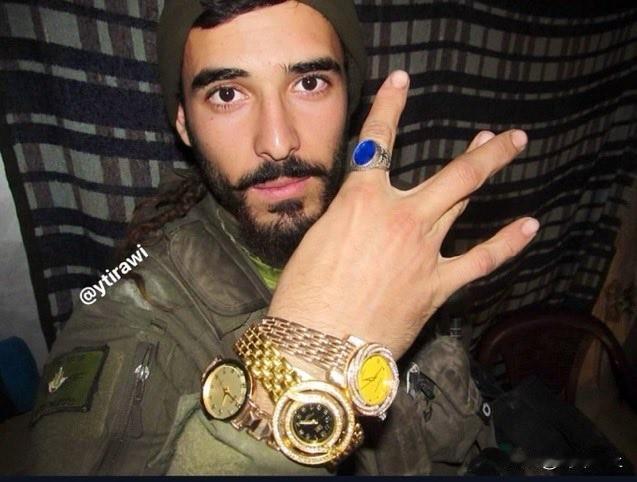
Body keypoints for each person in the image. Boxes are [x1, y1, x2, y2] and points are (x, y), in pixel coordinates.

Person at [18, 0, 538, 475]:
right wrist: (297, 364)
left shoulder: (395, 238)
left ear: (349, 102)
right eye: (227, 94)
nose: (277, 140)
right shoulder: (131, 318)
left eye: (309, 83)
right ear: (184, 124)